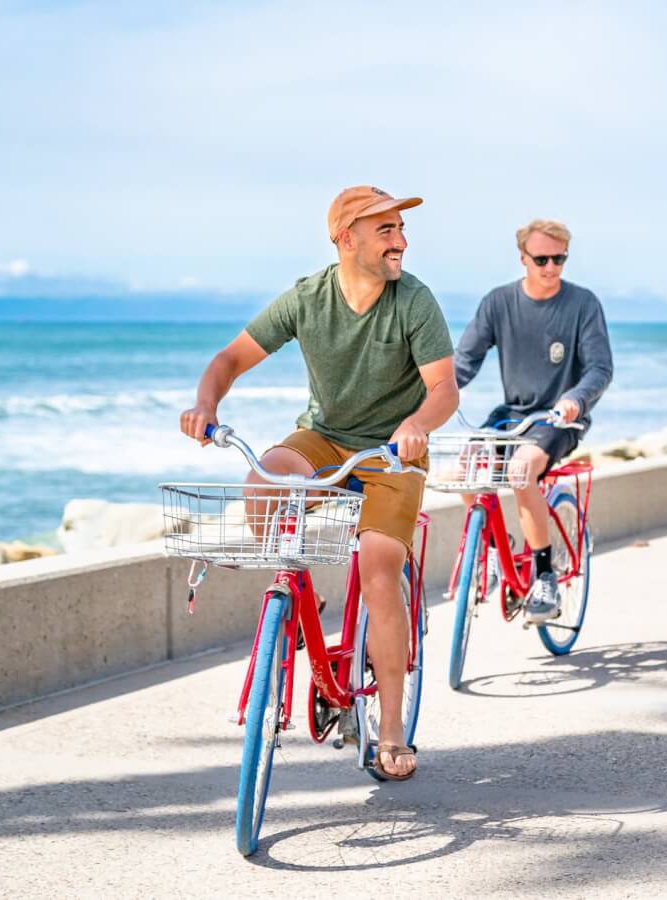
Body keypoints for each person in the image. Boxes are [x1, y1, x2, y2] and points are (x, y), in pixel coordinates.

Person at [179, 185, 458, 780]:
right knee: (262, 483)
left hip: (391, 452)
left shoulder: (414, 301)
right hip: (324, 437)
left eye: (401, 231)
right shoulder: (308, 298)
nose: (401, 242)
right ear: (346, 238)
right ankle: (303, 601)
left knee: (380, 564)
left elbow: (444, 390)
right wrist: (205, 403)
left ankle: (389, 729)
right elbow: (229, 360)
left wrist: (414, 426)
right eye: (385, 231)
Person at [454, 219, 614, 622]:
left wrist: (576, 398)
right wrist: (433, 394)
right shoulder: (498, 303)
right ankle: (494, 548)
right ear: (522, 258)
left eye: (559, 259)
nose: (551, 267)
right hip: (512, 415)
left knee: (522, 470)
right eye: (541, 259)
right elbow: (464, 363)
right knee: (463, 470)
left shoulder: (583, 304)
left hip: (559, 418)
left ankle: (545, 575)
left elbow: (600, 368)